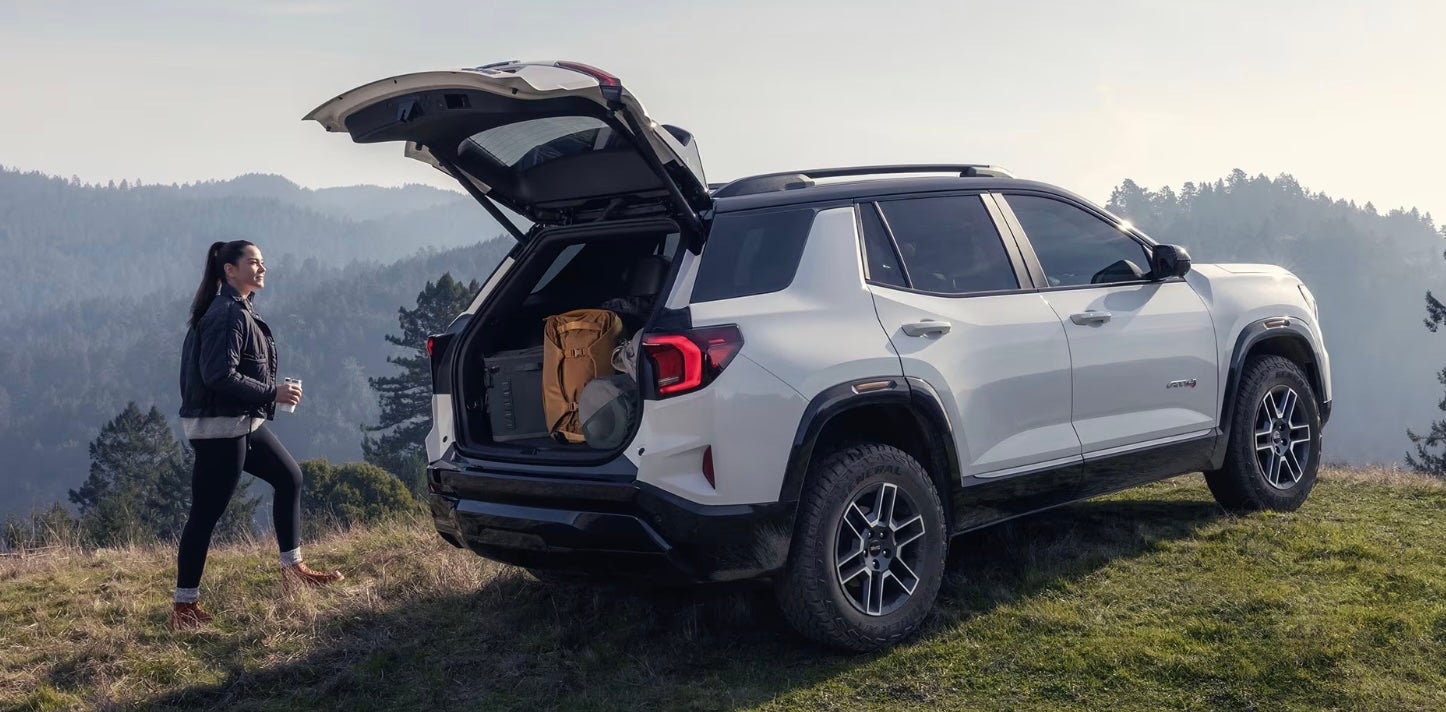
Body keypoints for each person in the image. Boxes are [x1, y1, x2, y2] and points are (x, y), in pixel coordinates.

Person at [172, 240, 343, 630]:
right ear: (230, 270)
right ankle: (183, 608)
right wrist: (273, 393)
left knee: (289, 477)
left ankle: (293, 569)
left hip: (241, 422)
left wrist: (270, 393)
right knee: (205, 515)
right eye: (254, 262)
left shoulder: (238, 309)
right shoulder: (226, 315)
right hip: (220, 430)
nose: (262, 268)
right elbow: (219, 375)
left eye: (263, 262)